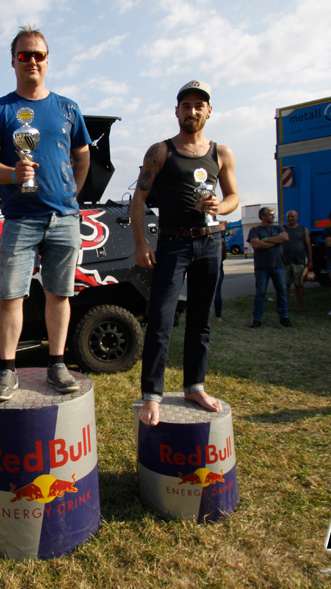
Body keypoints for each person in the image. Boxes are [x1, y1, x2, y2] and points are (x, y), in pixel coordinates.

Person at [0, 25, 91, 402]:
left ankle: (57, 364)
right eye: (24, 55)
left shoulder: (68, 108)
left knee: (59, 294)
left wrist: (71, 193)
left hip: (64, 218)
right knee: (11, 296)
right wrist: (14, 174)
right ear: (13, 61)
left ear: (47, 60)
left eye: (38, 55)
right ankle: (7, 370)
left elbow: (82, 156)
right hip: (20, 219)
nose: (32, 61)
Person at [131, 80, 240, 426]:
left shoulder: (221, 153)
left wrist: (220, 206)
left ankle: (194, 386)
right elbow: (138, 200)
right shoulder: (160, 151)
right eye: (186, 105)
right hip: (173, 244)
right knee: (161, 319)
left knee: (200, 320)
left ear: (209, 111)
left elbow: (234, 197)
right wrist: (140, 243)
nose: (192, 111)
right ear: (176, 111)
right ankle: (152, 394)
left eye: (198, 105)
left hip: (210, 242)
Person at [247, 207, 292, 328]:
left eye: (273, 214)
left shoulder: (278, 228)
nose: (273, 216)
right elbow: (256, 244)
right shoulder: (255, 230)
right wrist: (276, 241)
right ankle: (257, 319)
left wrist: (266, 240)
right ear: (262, 216)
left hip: (278, 265)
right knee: (260, 293)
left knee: (282, 291)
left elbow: (285, 238)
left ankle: (284, 317)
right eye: (270, 214)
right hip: (262, 267)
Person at [281, 209, 312, 312]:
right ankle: (285, 306)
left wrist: (310, 260)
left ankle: (300, 305)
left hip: (299, 261)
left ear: (297, 218)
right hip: (284, 262)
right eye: (288, 216)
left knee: (299, 285)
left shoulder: (303, 229)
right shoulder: (282, 229)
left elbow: (308, 246)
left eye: (292, 216)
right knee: (285, 285)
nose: (290, 218)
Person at [213, 238, 227, 322]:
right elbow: (224, 256)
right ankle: (218, 316)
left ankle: (218, 315)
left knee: (216, 293)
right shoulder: (220, 241)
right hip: (218, 269)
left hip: (216, 269)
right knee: (217, 292)